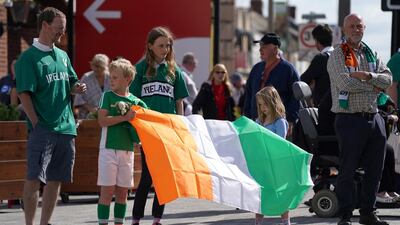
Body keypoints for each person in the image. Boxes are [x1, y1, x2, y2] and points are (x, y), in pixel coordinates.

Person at [14, 7, 87, 225]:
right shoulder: (28, 58)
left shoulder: (63, 55)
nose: (61, 34)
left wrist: (77, 87)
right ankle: (29, 223)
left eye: (63, 30)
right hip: (43, 128)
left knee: (56, 179)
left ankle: (45, 222)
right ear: (45, 26)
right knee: (34, 178)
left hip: (66, 128)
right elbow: (23, 94)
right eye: (58, 29)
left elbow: (71, 82)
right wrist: (36, 123)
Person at [327, 14, 392, 225]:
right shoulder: (337, 55)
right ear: (344, 30)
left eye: (359, 26)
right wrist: (375, 86)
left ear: (364, 29)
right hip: (349, 120)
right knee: (347, 170)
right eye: (352, 26)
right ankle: (345, 215)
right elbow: (345, 83)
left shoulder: (371, 52)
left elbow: (388, 78)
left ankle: (368, 213)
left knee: (375, 170)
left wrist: (368, 76)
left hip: (374, 118)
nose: (356, 29)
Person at [129, 26, 189, 225]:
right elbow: (133, 100)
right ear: (150, 46)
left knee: (163, 177)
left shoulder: (174, 70)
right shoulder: (139, 69)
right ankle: (136, 218)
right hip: (147, 130)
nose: (165, 49)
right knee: (147, 176)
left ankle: (157, 219)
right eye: (161, 45)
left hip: (168, 131)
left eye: (168, 45)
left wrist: (179, 127)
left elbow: (179, 101)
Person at [97, 58, 147, 225]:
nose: (111, 80)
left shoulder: (136, 102)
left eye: (115, 77)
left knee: (122, 193)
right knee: (107, 191)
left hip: (128, 151)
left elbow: (146, 122)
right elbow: (102, 121)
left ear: (127, 79)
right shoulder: (107, 96)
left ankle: (119, 223)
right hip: (108, 149)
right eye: (110, 77)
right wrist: (124, 118)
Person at [243, 32, 299, 136]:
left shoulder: (288, 69)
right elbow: (248, 94)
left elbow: (296, 97)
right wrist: (247, 118)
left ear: (275, 49)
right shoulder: (256, 69)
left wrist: (291, 120)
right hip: (256, 123)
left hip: (276, 125)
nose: (260, 50)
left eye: (264, 46)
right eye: (260, 46)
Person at [255, 86, 290, 225]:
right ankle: (258, 221)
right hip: (262, 163)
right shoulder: (259, 121)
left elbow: (280, 143)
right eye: (260, 104)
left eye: (265, 104)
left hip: (276, 164)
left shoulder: (279, 122)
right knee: (259, 194)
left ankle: (285, 221)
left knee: (279, 193)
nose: (263, 107)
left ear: (273, 102)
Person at [74, 53, 110, 119]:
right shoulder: (86, 77)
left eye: (99, 66)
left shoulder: (110, 77)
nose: (96, 69)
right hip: (88, 115)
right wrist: (92, 110)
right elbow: (79, 97)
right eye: (94, 65)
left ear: (105, 67)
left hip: (108, 114)